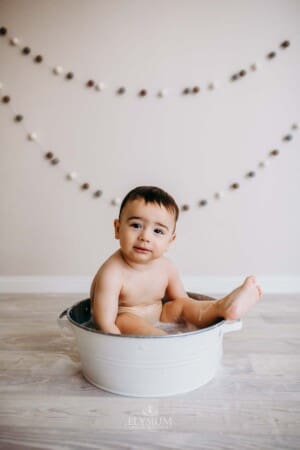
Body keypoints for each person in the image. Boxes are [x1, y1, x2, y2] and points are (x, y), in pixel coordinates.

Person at [90, 186, 262, 336]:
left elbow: (184, 301)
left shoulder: (166, 267)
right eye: (136, 225)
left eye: (158, 231)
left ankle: (221, 307)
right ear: (118, 229)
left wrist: (190, 314)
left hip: (161, 317)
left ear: (169, 241)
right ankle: (162, 339)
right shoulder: (112, 274)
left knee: (180, 306)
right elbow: (104, 323)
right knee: (124, 320)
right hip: (124, 323)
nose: (145, 237)